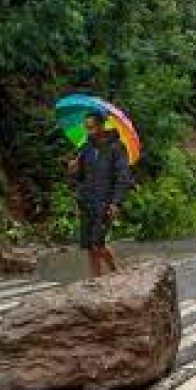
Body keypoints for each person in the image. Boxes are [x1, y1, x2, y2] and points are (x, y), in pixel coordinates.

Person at [68, 110, 132, 278]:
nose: (89, 131)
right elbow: (81, 176)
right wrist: (73, 169)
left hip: (105, 202)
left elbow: (123, 177)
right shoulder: (86, 147)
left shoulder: (116, 148)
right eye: (86, 128)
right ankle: (96, 280)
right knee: (89, 245)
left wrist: (116, 203)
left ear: (102, 126)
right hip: (87, 200)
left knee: (99, 243)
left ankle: (115, 273)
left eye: (91, 127)